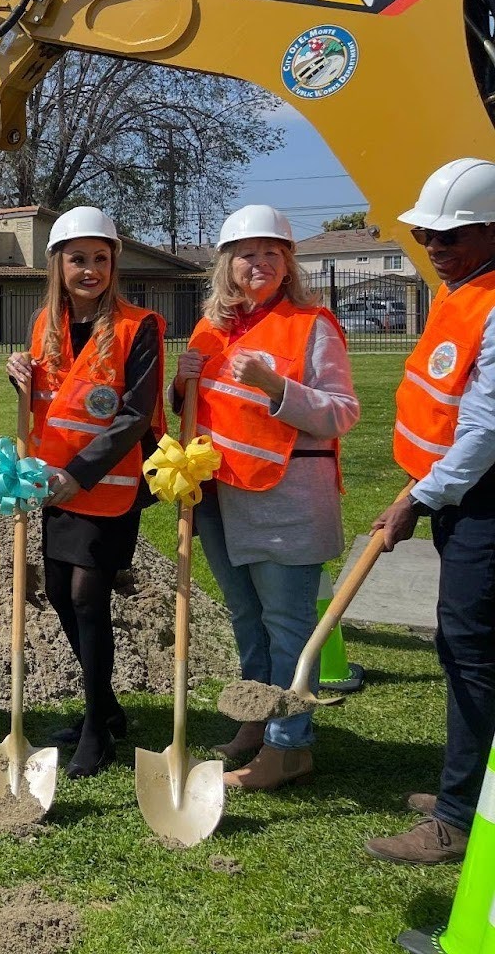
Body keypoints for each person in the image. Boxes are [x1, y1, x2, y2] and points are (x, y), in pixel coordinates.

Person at [173, 206, 358, 790]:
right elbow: (195, 412)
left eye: (272, 253)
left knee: (285, 623)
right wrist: (181, 384)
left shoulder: (311, 325)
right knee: (246, 616)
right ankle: (256, 723)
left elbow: (342, 412)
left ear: (288, 263)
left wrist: (278, 387)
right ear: (227, 264)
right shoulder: (210, 331)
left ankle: (288, 745)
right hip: (219, 496)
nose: (261, 263)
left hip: (285, 497)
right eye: (248, 253)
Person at [367, 158, 495, 865]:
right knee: (465, 648)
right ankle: (472, 785)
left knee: (470, 649)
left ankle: (455, 817)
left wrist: (420, 496)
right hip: (460, 498)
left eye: (453, 236)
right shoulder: (464, 292)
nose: (435, 248)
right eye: (426, 237)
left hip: (482, 502)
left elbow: (485, 431)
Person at [6, 206, 164, 778]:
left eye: (101, 258)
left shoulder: (138, 327)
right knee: (53, 588)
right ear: (58, 264)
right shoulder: (43, 324)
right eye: (78, 259)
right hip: (55, 486)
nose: (90, 269)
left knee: (85, 596)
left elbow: (135, 413)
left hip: (109, 485)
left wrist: (80, 472)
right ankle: (108, 706)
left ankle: (97, 730)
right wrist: (18, 377)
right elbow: (49, 402)